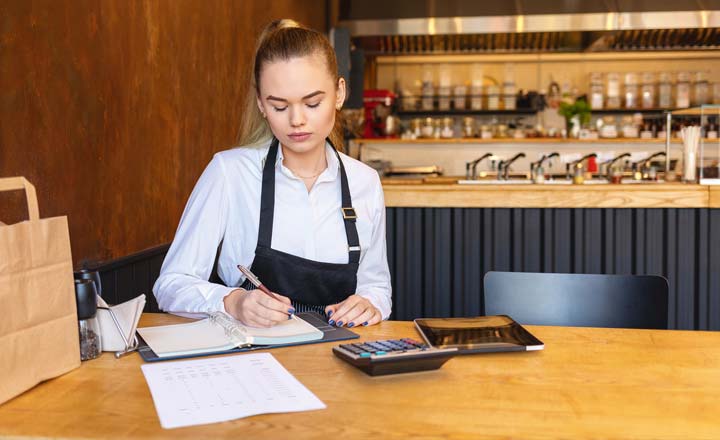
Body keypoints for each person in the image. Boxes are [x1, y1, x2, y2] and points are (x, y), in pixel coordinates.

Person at [153, 19, 392, 329]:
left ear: (339, 93)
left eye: (313, 103)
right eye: (279, 106)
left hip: (338, 360)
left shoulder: (365, 182)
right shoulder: (229, 173)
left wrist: (370, 304)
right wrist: (233, 302)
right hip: (251, 361)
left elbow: (376, 286)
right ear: (261, 105)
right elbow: (170, 285)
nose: (297, 120)